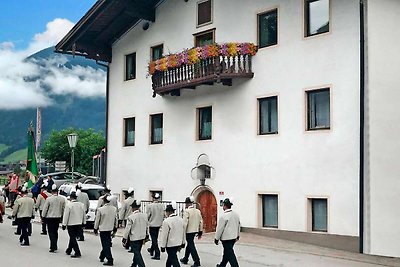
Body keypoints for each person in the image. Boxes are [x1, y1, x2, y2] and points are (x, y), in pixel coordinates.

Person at [214, 198, 241, 267]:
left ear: (225, 206)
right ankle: (222, 265)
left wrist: (216, 238)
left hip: (226, 238)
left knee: (230, 254)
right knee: (227, 253)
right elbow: (238, 225)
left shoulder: (223, 216)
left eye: (223, 205)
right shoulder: (236, 215)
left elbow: (220, 229)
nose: (223, 206)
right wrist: (238, 235)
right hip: (233, 237)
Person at [122, 200, 148, 267]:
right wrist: (147, 234)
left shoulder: (131, 217)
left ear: (133, 208)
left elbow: (127, 229)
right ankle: (133, 264)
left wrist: (124, 238)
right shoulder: (145, 215)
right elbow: (147, 226)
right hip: (142, 236)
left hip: (134, 237)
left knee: (136, 253)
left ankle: (141, 265)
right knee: (137, 251)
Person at [94, 195, 118, 266]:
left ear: (104, 201)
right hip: (110, 228)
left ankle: (110, 259)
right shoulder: (114, 209)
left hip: (103, 229)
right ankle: (102, 256)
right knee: (107, 243)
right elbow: (116, 219)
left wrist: (95, 228)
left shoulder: (100, 209)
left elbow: (97, 220)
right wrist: (115, 227)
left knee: (105, 244)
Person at [160, 201, 186, 267]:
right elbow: (183, 232)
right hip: (178, 242)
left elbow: (164, 235)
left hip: (170, 244)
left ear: (168, 212)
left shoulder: (166, 221)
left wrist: (162, 246)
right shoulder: (181, 219)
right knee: (171, 258)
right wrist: (183, 242)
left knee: (174, 259)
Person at [42, 184, 66, 252]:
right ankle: (55, 244)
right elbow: (63, 209)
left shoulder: (49, 199)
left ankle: (53, 245)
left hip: (50, 217)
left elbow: (45, 209)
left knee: (51, 232)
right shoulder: (62, 199)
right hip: (58, 217)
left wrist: (43, 216)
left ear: (52, 192)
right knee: (55, 231)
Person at [62, 191, 86, 258]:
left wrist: (64, 224)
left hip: (71, 224)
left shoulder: (69, 205)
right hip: (79, 223)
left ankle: (77, 252)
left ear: (70, 197)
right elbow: (84, 214)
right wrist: (84, 222)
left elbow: (66, 215)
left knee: (72, 237)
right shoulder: (81, 205)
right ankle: (69, 250)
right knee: (73, 237)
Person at [181, 196, 203, 267]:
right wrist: (200, 231)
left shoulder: (187, 211)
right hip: (195, 230)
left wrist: (183, 232)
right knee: (190, 244)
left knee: (191, 245)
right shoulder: (197, 211)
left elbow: (185, 223)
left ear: (187, 203)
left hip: (188, 231)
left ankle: (197, 261)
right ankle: (186, 258)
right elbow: (201, 222)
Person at [146, 192, 164, 260]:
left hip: (152, 224)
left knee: (154, 239)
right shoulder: (162, 205)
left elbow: (148, 215)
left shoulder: (150, 206)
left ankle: (157, 253)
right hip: (159, 224)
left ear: (153, 198)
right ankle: (151, 249)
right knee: (155, 238)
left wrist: (147, 222)